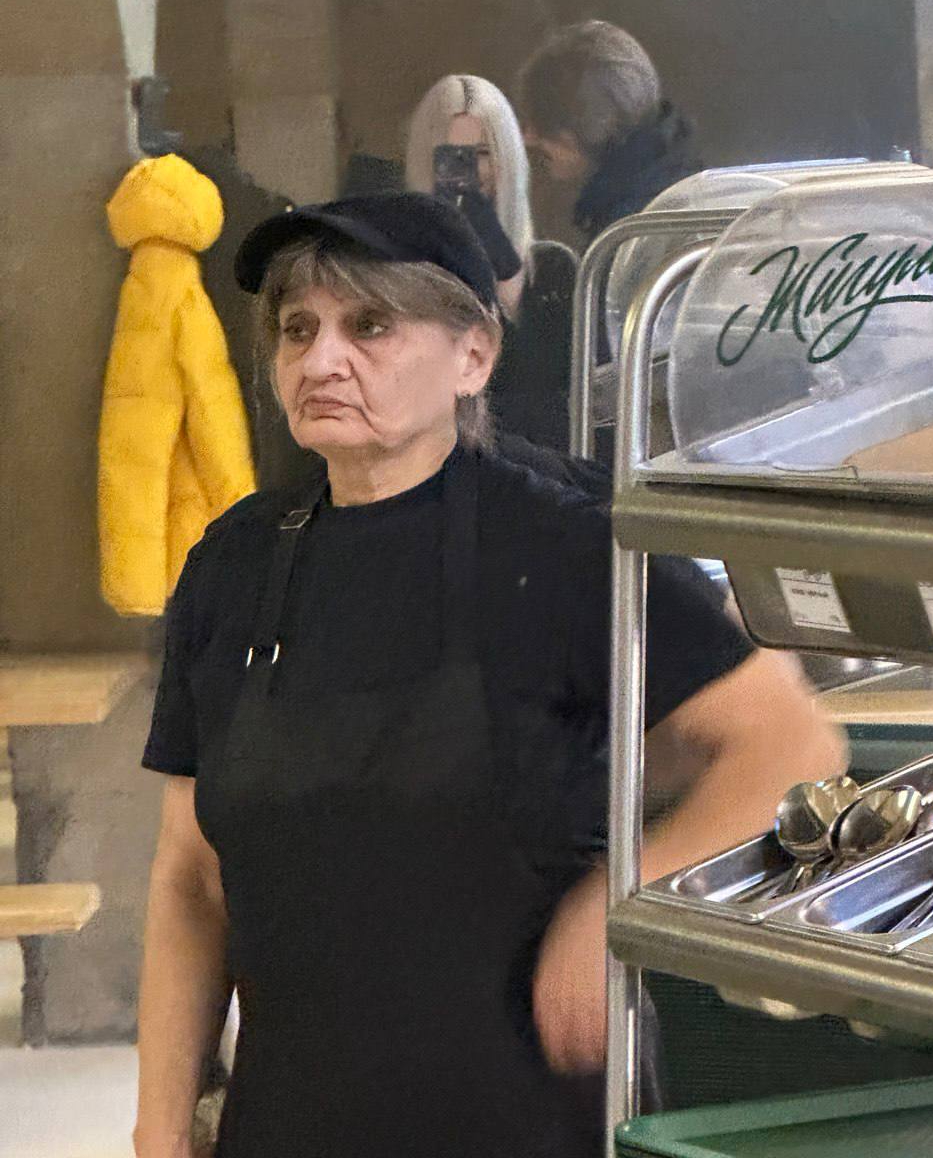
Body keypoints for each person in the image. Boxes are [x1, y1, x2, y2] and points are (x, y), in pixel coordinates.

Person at [134, 191, 846, 1158]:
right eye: (298, 330)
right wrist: (160, 1127)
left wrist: (619, 901)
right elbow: (191, 879)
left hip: (523, 1119)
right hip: (292, 1120)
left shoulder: (565, 545)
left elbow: (789, 744)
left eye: (369, 326)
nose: (321, 359)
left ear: (473, 356)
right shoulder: (233, 564)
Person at [406, 73, 579, 452]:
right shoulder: (398, 272)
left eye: (483, 153)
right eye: (451, 157)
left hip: (535, 466)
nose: (470, 171)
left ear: (506, 157)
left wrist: (507, 272)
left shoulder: (554, 271)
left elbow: (551, 392)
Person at [518, 20, 700, 246]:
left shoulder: (633, 232)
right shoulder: (661, 191)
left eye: (547, 124)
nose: (528, 138)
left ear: (593, 126)